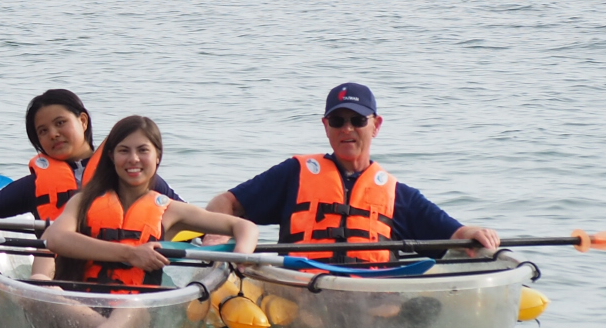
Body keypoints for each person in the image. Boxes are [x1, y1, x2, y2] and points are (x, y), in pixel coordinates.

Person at [39, 115, 259, 328]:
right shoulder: (83, 202)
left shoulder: (171, 210)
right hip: (79, 306)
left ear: (158, 157)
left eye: (143, 150)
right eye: (124, 151)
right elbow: (56, 238)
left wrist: (242, 257)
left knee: (131, 305)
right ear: (111, 157)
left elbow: (243, 226)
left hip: (135, 310)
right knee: (38, 282)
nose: (133, 159)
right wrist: (130, 254)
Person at [204, 82, 500, 260]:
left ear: (376, 125)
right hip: (303, 290)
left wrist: (476, 233)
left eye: (358, 120)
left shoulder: (397, 194)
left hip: (370, 299)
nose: (347, 129)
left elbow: (453, 234)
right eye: (338, 121)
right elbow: (225, 203)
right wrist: (215, 233)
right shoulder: (293, 174)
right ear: (325, 126)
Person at [0, 89, 179, 221]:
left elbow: (182, 211)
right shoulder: (34, 186)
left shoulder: (126, 170)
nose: (54, 134)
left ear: (83, 121)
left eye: (60, 123)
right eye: (43, 131)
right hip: (59, 275)